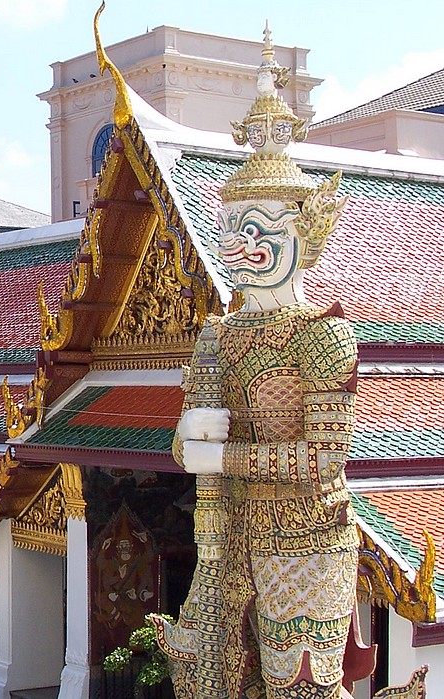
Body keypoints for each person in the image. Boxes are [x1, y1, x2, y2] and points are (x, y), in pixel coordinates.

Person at [153, 33, 358, 699]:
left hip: (307, 536)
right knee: (207, 678)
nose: (240, 245)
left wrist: (223, 459)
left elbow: (323, 458)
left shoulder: (322, 338)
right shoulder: (218, 335)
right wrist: (190, 442)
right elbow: (192, 437)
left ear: (304, 232)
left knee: (296, 685)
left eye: (260, 227)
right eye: (233, 227)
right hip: (226, 532)